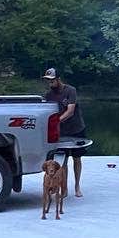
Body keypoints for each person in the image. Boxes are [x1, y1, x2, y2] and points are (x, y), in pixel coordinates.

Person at [43, 67, 86, 197]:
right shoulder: (49, 95)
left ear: (58, 79)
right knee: (63, 161)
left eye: (52, 81)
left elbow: (70, 111)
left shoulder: (70, 90)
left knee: (77, 158)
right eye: (48, 81)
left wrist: (56, 121)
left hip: (76, 128)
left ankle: (77, 186)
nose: (50, 84)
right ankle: (64, 188)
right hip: (61, 132)